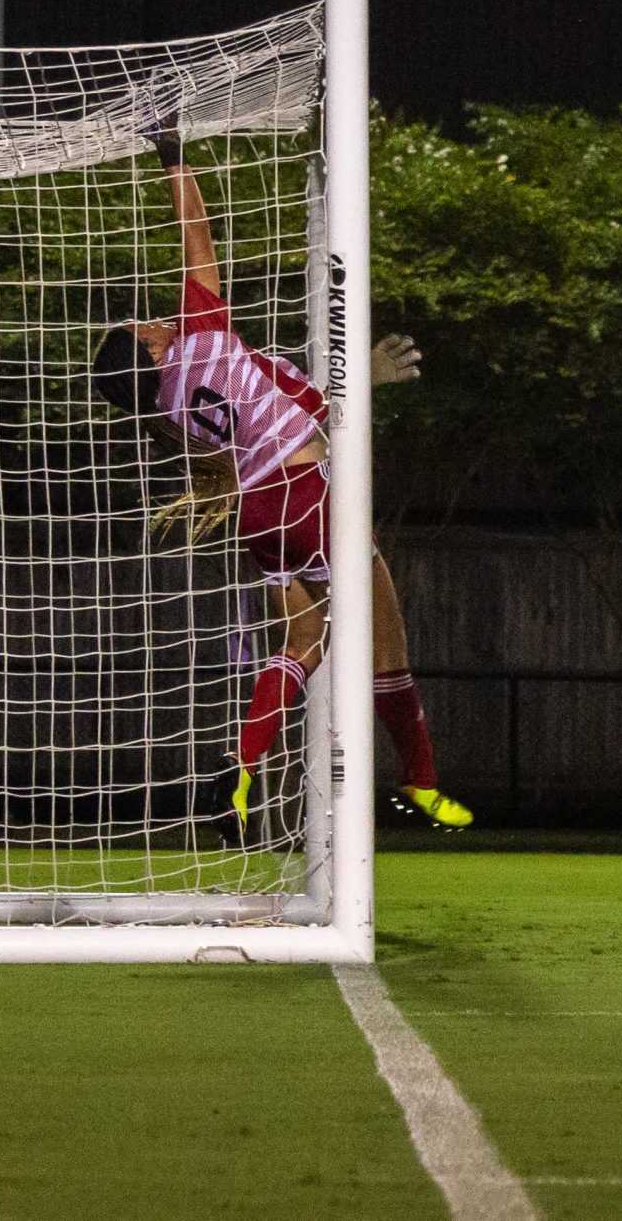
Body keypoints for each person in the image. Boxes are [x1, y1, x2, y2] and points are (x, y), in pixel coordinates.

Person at [89, 121, 473, 834]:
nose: (154, 319)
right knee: (386, 643)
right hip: (306, 490)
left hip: (260, 513)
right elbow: (196, 230)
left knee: (300, 646)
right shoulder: (200, 336)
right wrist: (171, 152)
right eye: (144, 325)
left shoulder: (169, 416)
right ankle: (421, 780)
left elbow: (274, 416)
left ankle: (237, 772)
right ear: (146, 350)